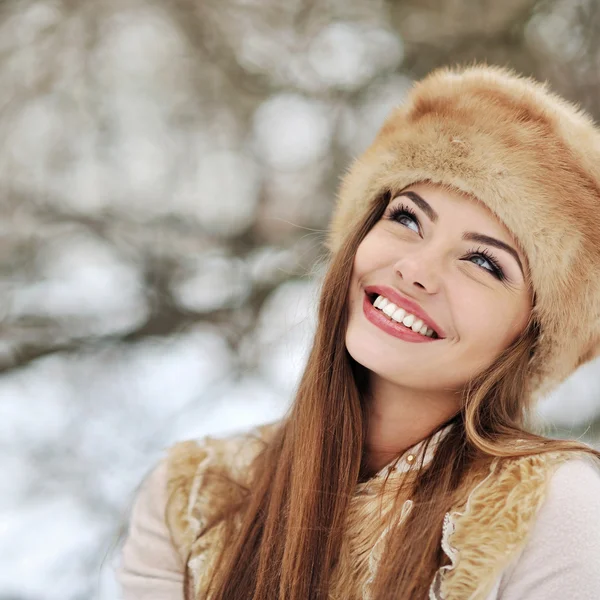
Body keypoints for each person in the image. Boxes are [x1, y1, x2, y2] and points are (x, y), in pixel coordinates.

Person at [116, 64, 600, 600]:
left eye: (484, 263)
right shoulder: (191, 494)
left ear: (533, 336)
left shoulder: (553, 508)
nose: (416, 269)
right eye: (409, 219)